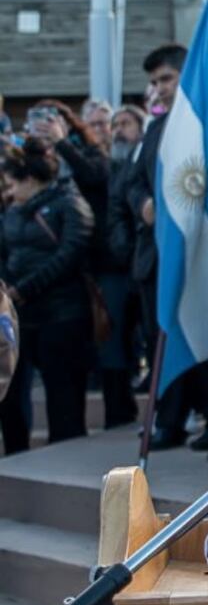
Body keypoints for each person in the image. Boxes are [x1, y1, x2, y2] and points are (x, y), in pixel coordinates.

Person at [122, 43, 204, 451]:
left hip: (192, 257)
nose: (160, 89)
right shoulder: (154, 127)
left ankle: (207, 417)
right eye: (154, 82)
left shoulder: (201, 122)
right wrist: (145, 204)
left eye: (166, 79)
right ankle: (167, 421)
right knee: (160, 342)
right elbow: (130, 182)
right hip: (153, 257)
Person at [0, 138, 95, 455]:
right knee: (12, 395)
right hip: (23, 318)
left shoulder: (71, 203)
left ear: (29, 179)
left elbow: (69, 255)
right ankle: (15, 454)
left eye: (12, 184)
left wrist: (24, 288)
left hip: (64, 314)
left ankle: (65, 454)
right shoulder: (11, 213)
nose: (9, 192)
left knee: (64, 397)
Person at [97, 104, 146, 428]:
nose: (118, 130)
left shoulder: (145, 161)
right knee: (112, 344)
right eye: (115, 125)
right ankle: (118, 411)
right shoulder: (109, 166)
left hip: (144, 262)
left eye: (126, 123)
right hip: (115, 268)